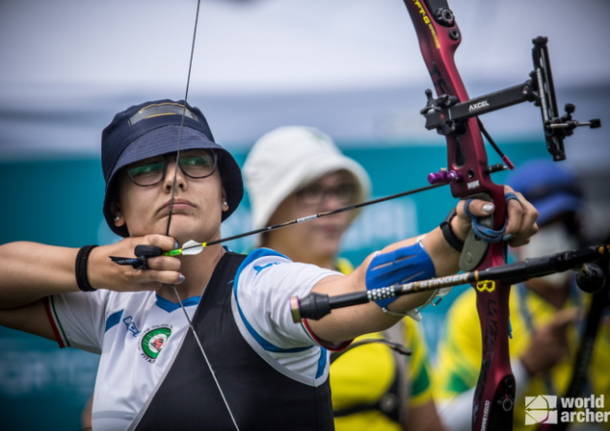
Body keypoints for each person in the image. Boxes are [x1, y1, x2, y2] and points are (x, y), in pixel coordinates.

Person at [0, 99, 537, 431]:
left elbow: (355, 291)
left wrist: (454, 234)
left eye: (194, 162)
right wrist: (92, 267)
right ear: (116, 209)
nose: (174, 178)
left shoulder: (258, 285)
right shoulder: (113, 304)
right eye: (146, 168)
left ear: (225, 197)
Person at [243, 126, 446, 430]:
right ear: (272, 206)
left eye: (341, 191)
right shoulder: (236, 297)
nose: (333, 206)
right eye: (311, 190)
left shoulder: (386, 296)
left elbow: (426, 424)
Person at [434, 159, 610, 431]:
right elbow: (445, 421)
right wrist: (526, 366)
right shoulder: (478, 310)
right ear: (511, 236)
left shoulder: (601, 296)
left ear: (579, 226)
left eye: (563, 223)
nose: (552, 236)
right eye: (537, 227)